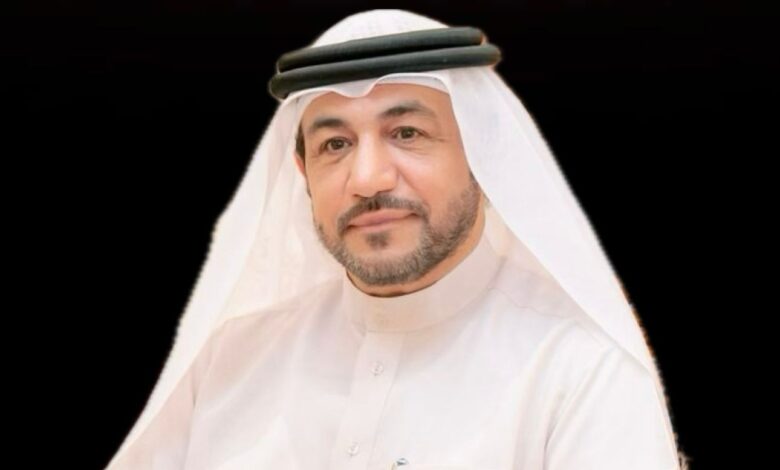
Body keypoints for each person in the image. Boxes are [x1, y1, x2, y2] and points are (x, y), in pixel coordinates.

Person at [106, 9, 688, 470]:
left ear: (483, 157)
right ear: (304, 172)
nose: (368, 179)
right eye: (335, 145)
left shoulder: (581, 371)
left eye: (407, 133)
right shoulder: (228, 363)